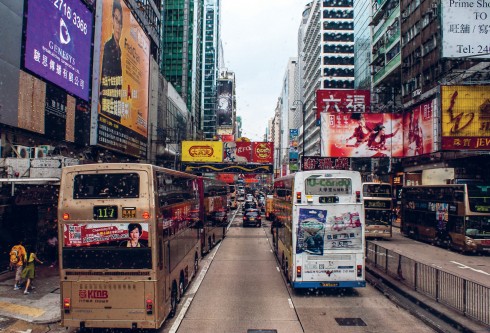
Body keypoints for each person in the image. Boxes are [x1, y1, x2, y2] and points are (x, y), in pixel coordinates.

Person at [100, 0, 124, 121]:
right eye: (116, 19)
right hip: (106, 109)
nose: (118, 26)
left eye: (120, 22)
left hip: (116, 110)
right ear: (112, 20)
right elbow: (102, 81)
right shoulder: (108, 46)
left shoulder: (120, 50)